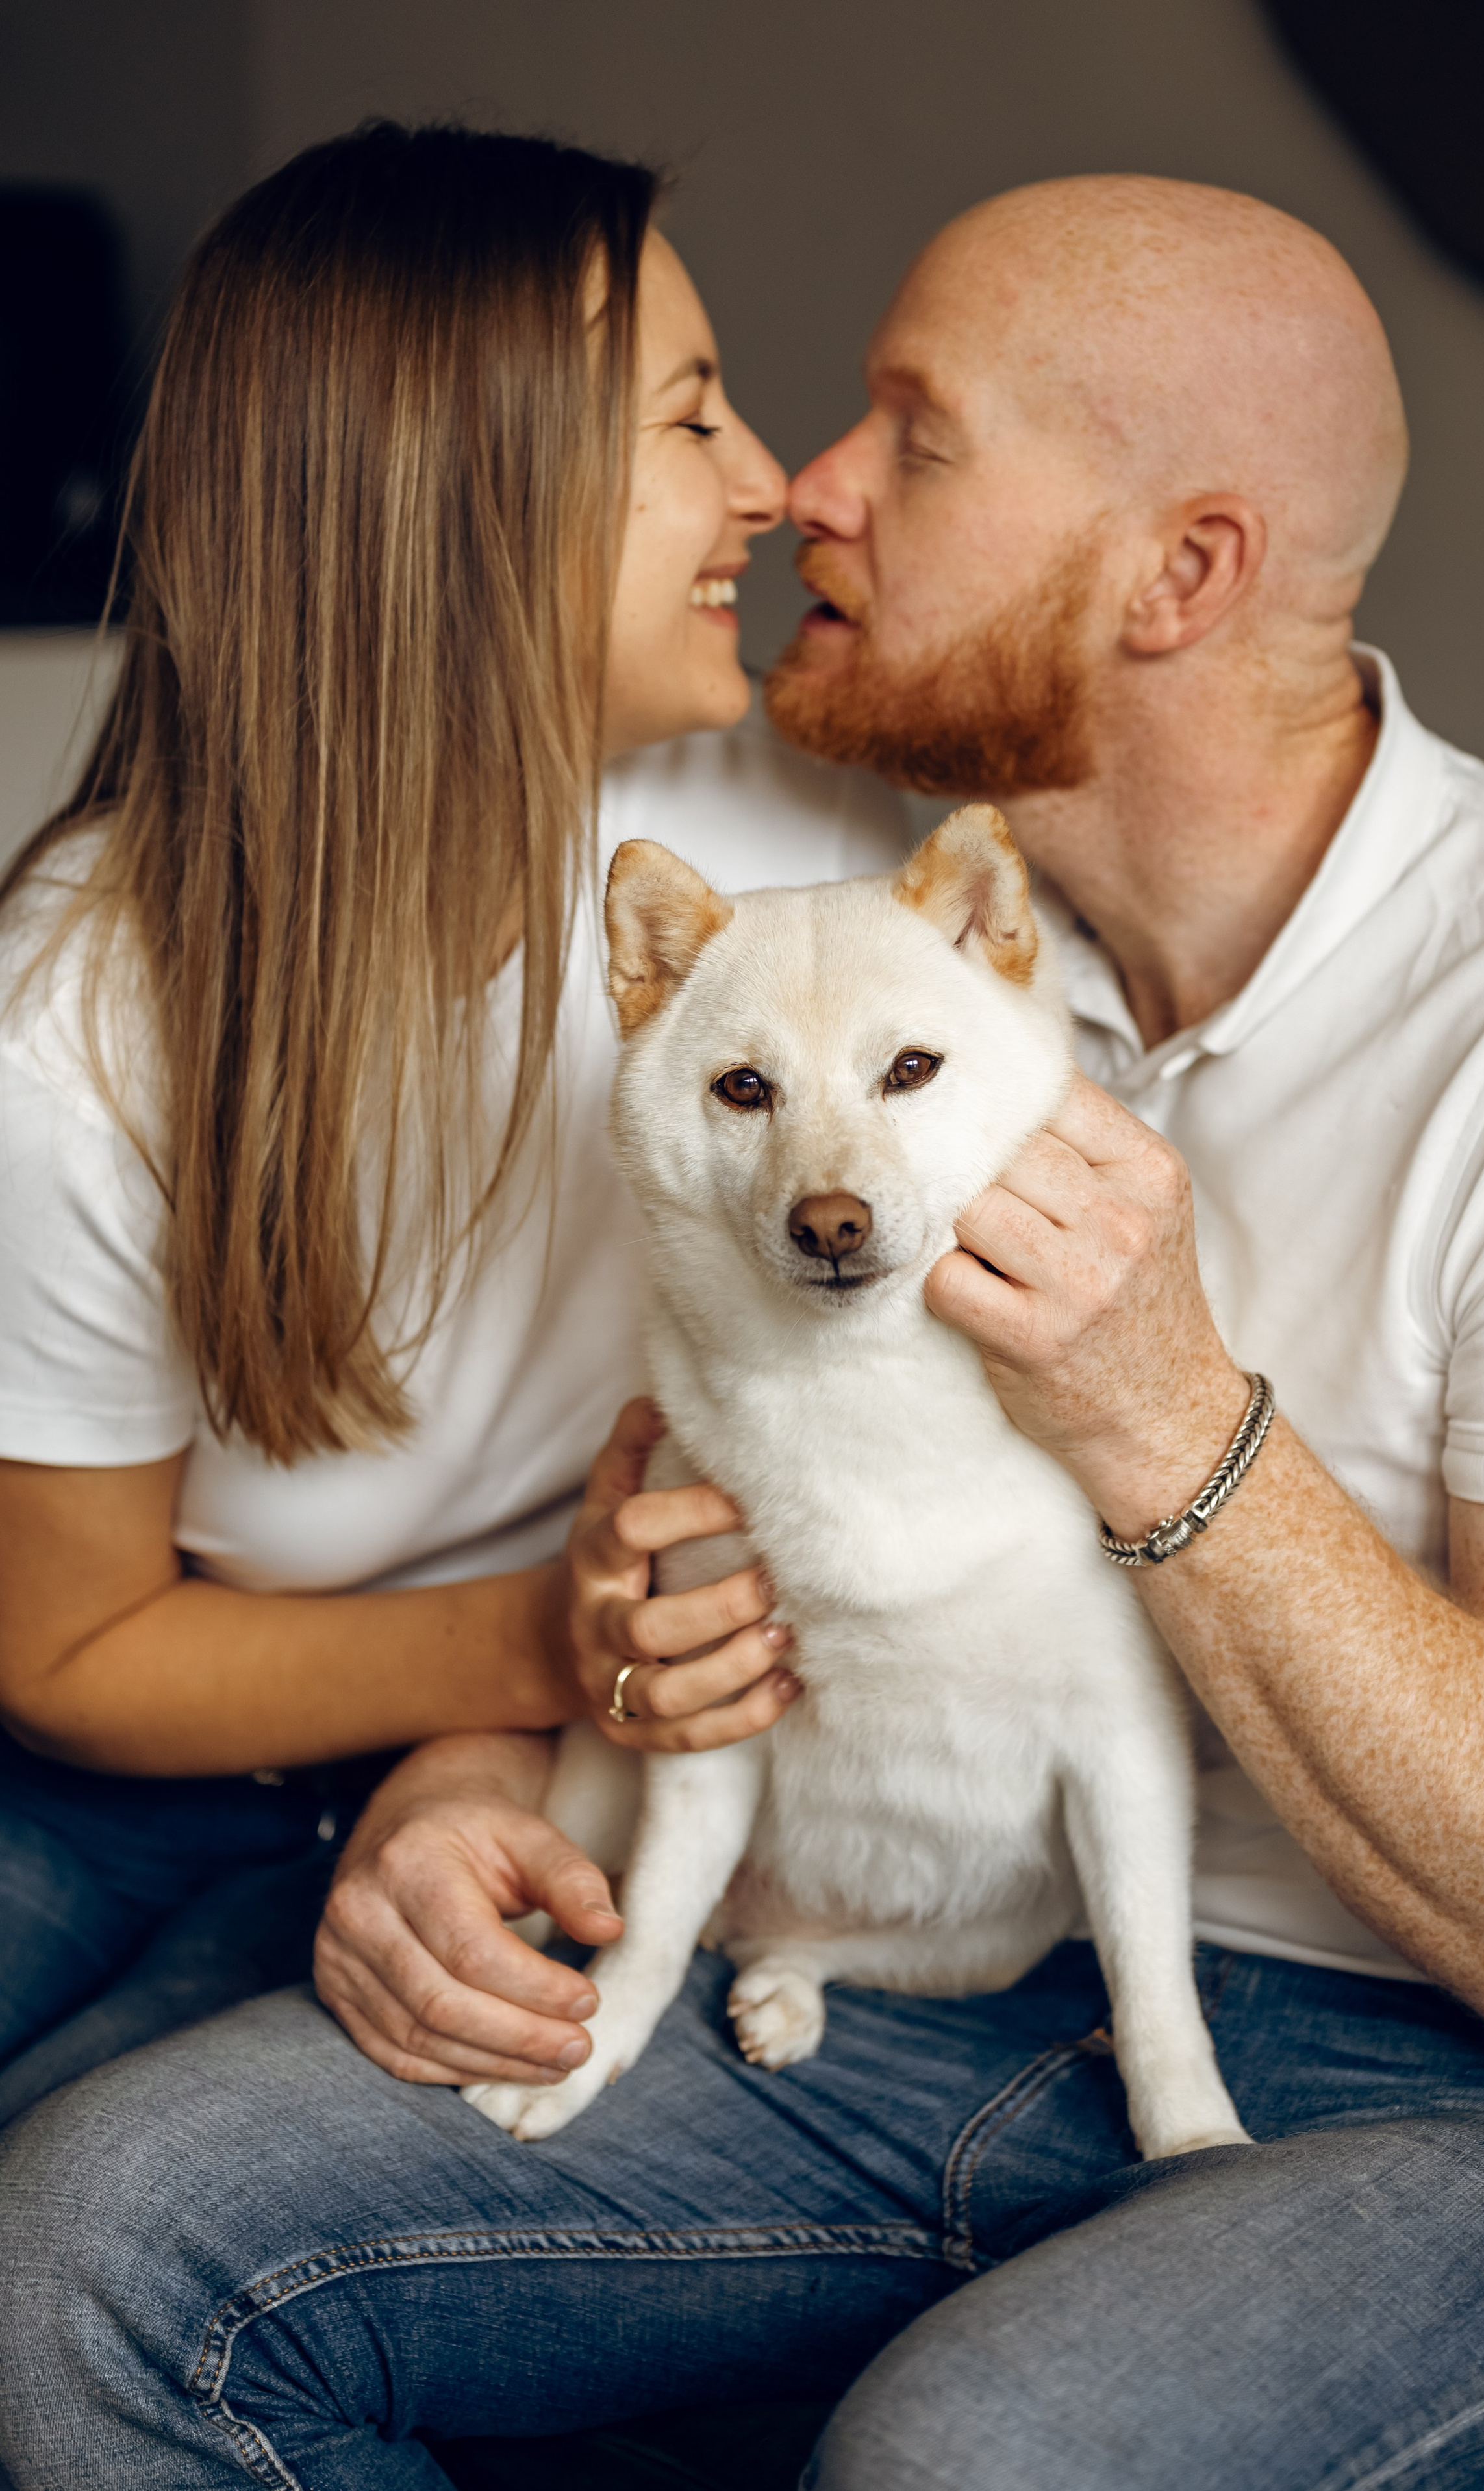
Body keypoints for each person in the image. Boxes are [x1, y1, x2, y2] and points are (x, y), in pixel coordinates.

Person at [5, 166, 1484, 2491]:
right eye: (769, 416)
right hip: (903, 1949)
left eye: (921, 434)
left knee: (976, 2460)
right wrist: (496, 1748)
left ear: (1180, 574)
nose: (809, 489)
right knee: (91, 2241)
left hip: (1412, 2050)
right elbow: (693, 1492)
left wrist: (1168, 1413)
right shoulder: (881, 923)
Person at [0, 120, 905, 2132]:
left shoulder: (796, 865)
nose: (767, 483)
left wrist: (533, 1718)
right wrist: (533, 1643)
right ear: (471, 502)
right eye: (688, 418)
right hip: (148, 1747)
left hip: (550, 1749)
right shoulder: (82, 1025)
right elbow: (67, 1642)